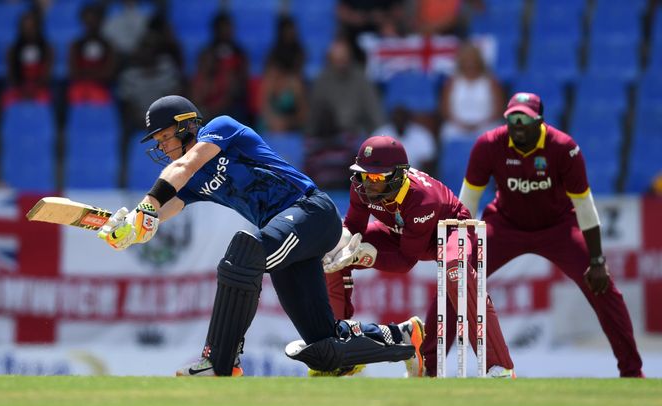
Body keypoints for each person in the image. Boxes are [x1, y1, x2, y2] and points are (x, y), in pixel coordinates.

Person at [96, 95, 425, 377]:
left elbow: (179, 173)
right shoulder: (193, 181)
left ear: (187, 126)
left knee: (242, 258)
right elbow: (165, 209)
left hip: (310, 212)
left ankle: (220, 362)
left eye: (166, 136)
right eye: (158, 141)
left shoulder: (220, 129)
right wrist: (137, 228)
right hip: (287, 233)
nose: (163, 146)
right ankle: (405, 338)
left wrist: (147, 205)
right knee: (324, 346)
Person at [434, 92, 644, 377]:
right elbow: (467, 202)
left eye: (525, 119)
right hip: (504, 225)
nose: (518, 125)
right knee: (455, 279)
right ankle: (430, 369)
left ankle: (632, 372)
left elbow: (584, 205)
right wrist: (460, 251)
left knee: (603, 286)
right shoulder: (489, 144)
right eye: (513, 118)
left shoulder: (563, 148)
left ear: (540, 122)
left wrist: (597, 260)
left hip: (558, 228)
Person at [322, 135, 515, 378]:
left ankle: (499, 366)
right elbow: (354, 227)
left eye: (375, 177)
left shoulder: (423, 199)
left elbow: (405, 262)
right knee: (331, 255)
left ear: (397, 176)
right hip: (402, 232)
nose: (367, 184)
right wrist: (344, 243)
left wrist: (367, 255)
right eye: (362, 174)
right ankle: (339, 354)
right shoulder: (361, 187)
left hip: (452, 230)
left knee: (456, 271)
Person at [439, 42, 504, 145]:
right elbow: (445, 110)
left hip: (485, 125)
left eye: (473, 59)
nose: (470, 63)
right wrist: (461, 125)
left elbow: (499, 109)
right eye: (467, 59)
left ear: (479, 61)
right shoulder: (452, 81)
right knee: (447, 132)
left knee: (495, 133)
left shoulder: (491, 81)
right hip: (458, 126)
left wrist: (480, 125)